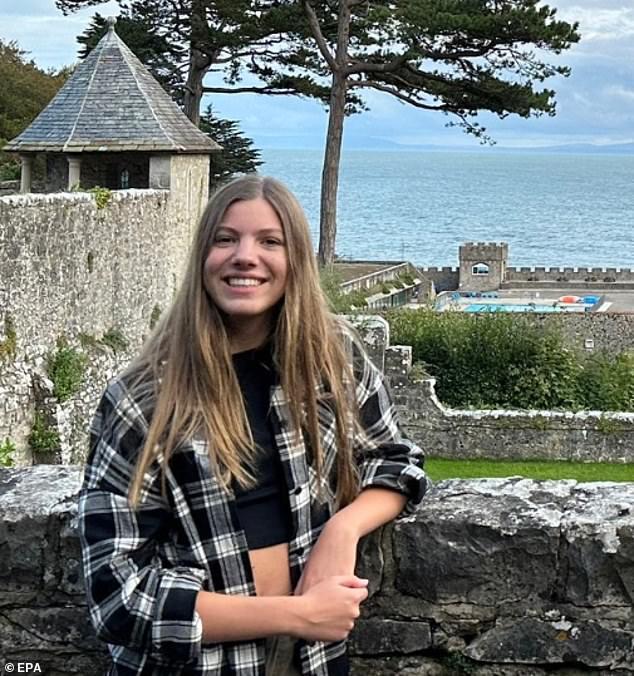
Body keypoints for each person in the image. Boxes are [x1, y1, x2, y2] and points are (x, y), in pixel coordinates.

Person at [77, 175, 429, 676]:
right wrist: (300, 614)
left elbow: (396, 461)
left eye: (270, 241)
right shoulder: (143, 400)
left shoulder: (332, 359)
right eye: (225, 239)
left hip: (311, 663)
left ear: (296, 261)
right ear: (202, 256)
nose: (245, 256)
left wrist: (342, 529)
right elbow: (119, 600)